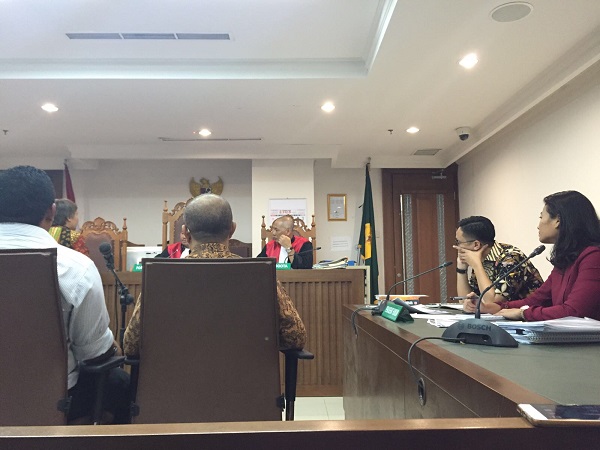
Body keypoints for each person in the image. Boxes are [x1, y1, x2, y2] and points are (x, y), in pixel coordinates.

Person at [0, 166, 129, 424]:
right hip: (55, 402)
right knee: (120, 382)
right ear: (52, 212)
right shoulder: (76, 268)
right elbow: (95, 353)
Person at [124, 194, 307, 357]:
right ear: (232, 229)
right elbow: (296, 337)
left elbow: (131, 344)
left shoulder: (160, 277)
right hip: (246, 383)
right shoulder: (262, 275)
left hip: (174, 384)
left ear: (186, 232)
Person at [468, 191, 600, 321]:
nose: (538, 226)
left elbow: (575, 311)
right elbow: (535, 300)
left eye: (541, 217)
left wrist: (523, 314)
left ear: (557, 220)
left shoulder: (593, 257)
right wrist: (493, 307)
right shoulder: (566, 258)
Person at [455, 215, 543, 306]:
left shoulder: (511, 258)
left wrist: (477, 265)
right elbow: (466, 301)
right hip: (506, 314)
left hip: (533, 313)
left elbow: (493, 303)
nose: (456, 246)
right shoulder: (481, 258)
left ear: (476, 245)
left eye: (458, 242)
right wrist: (461, 269)